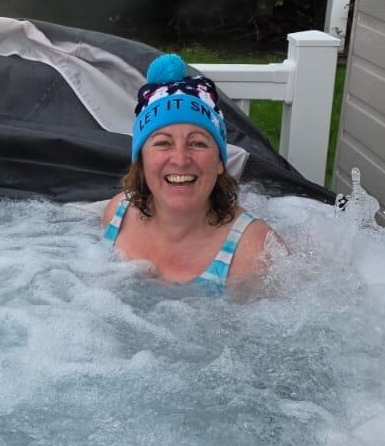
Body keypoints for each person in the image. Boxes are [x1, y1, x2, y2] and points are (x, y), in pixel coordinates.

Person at [100, 53, 278, 293]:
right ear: (141, 160)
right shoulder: (117, 215)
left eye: (198, 143)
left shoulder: (257, 254)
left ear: (219, 162)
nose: (181, 160)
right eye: (163, 143)